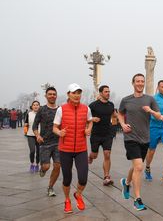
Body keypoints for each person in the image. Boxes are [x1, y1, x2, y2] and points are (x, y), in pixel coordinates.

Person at [118, 73, 163, 211]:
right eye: (137, 81)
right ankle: (137, 199)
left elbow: (158, 115)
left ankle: (126, 183)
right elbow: (119, 113)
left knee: (136, 166)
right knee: (139, 167)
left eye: (142, 81)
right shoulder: (126, 100)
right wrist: (122, 124)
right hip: (130, 137)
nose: (140, 83)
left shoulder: (149, 99)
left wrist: (150, 110)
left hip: (145, 138)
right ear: (133, 83)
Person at [53, 83, 93, 213]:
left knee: (83, 178)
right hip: (65, 149)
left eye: (79, 93)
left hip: (81, 148)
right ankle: (67, 200)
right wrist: (59, 133)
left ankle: (78, 194)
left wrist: (88, 129)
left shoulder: (86, 109)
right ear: (68, 94)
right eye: (74, 93)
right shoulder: (61, 109)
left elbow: (90, 121)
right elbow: (55, 127)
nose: (77, 95)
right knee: (67, 178)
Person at [145, 80, 163, 186]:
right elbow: (149, 112)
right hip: (154, 127)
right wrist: (158, 116)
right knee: (151, 151)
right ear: (158, 88)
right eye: (162, 87)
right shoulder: (153, 99)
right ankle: (147, 168)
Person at [33, 87, 61, 197]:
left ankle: (50, 187)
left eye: (54, 94)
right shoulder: (42, 110)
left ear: (56, 96)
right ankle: (42, 169)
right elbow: (35, 125)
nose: (52, 96)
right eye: (50, 94)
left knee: (58, 166)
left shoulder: (60, 110)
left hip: (58, 142)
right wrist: (37, 135)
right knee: (46, 166)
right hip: (44, 142)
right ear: (46, 96)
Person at [88, 85, 116, 186]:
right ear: (100, 93)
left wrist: (114, 128)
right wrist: (92, 119)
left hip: (107, 134)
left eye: (109, 91)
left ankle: (106, 177)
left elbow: (114, 116)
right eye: (106, 92)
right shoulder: (93, 105)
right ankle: (90, 156)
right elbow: (86, 117)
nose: (108, 93)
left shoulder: (111, 105)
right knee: (94, 155)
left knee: (107, 154)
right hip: (96, 134)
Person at [25, 101, 41, 173]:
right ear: (32, 106)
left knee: (38, 151)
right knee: (32, 151)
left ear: (39, 106)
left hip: (39, 136)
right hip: (30, 135)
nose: (35, 106)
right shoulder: (29, 114)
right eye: (34, 105)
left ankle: (37, 164)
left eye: (37, 105)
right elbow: (26, 123)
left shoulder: (42, 114)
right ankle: (32, 163)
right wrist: (25, 129)